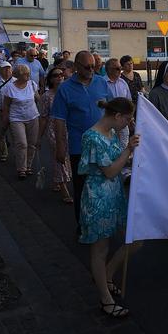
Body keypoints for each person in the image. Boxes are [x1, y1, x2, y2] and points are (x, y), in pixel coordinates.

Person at [79, 98, 139, 318]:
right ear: (117, 116)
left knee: (134, 239)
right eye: (127, 119)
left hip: (113, 195)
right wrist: (128, 150)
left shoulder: (110, 133)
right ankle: (105, 298)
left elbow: (118, 162)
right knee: (100, 249)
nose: (128, 124)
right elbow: (110, 171)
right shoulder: (92, 136)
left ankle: (107, 274)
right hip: (98, 197)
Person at [51, 51, 113, 224]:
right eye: (87, 67)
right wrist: (61, 146)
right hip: (80, 146)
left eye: (94, 66)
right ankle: (83, 225)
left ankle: (103, 221)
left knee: (104, 185)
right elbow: (59, 120)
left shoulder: (101, 83)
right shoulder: (65, 88)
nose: (92, 70)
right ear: (76, 67)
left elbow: (112, 108)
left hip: (103, 144)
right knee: (83, 188)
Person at [39, 67, 73, 203]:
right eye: (56, 75)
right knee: (61, 156)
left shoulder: (67, 93)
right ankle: (64, 188)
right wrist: (39, 137)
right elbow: (43, 117)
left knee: (65, 156)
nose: (59, 77)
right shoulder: (46, 96)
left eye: (61, 75)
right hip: (53, 129)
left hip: (69, 128)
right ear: (50, 79)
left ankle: (56, 180)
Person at [2, 65, 40, 179]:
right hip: (16, 118)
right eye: (25, 74)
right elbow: (6, 105)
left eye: (28, 73)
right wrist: (5, 118)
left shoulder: (32, 85)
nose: (28, 76)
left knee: (32, 143)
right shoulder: (10, 87)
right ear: (18, 75)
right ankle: (21, 168)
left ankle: (28, 166)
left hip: (33, 116)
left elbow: (38, 98)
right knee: (22, 143)